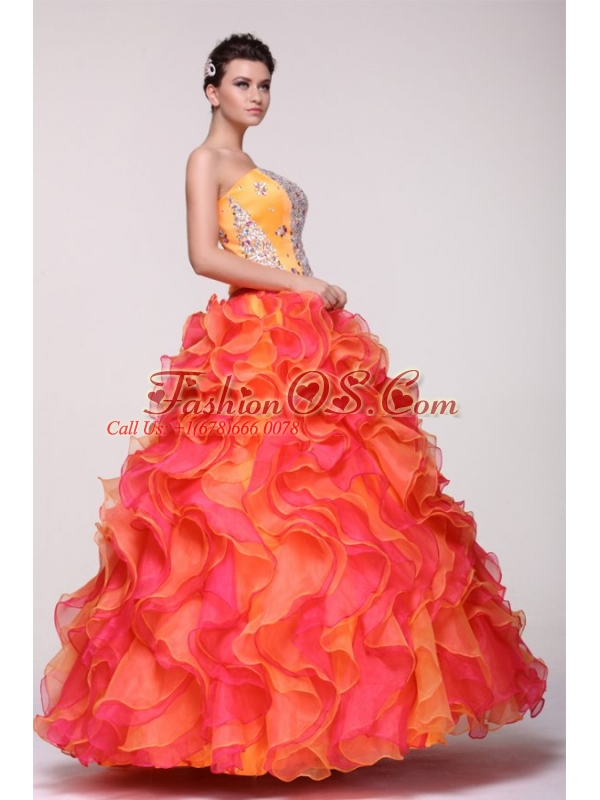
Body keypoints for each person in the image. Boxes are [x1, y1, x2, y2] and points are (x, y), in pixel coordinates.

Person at [34, 32, 548, 783]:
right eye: (242, 83)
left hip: (310, 341)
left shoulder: (255, 168)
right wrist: (303, 285)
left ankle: (318, 718)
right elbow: (205, 256)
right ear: (211, 90)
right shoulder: (206, 160)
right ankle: (243, 719)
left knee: (338, 515)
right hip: (254, 342)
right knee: (241, 511)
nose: (256, 96)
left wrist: (308, 294)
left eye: (264, 85)